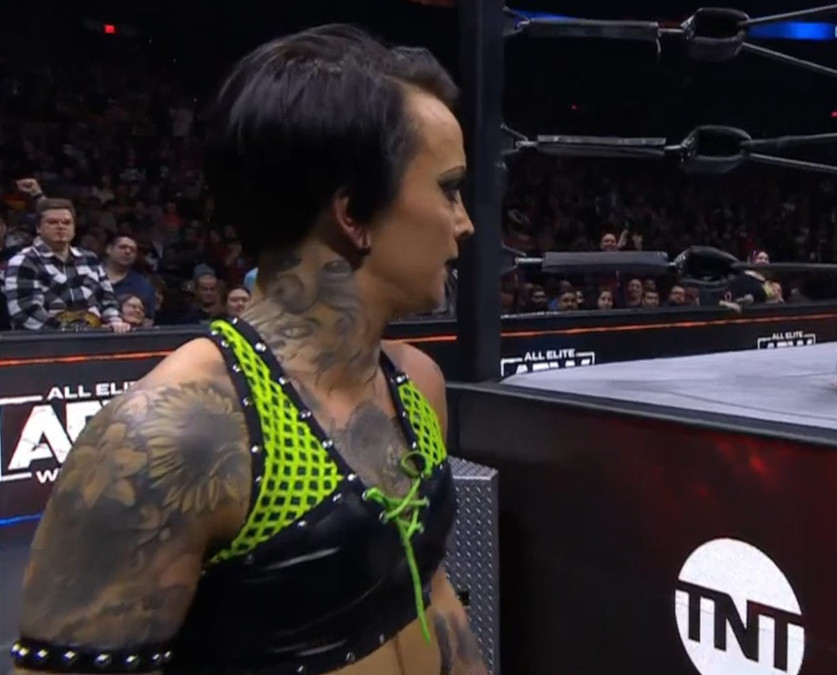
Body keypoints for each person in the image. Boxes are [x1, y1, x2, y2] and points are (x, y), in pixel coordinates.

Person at [12, 24, 485, 675]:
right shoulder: (174, 436)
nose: (465, 222)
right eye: (449, 188)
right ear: (354, 213)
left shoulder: (416, 382)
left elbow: (431, 591)